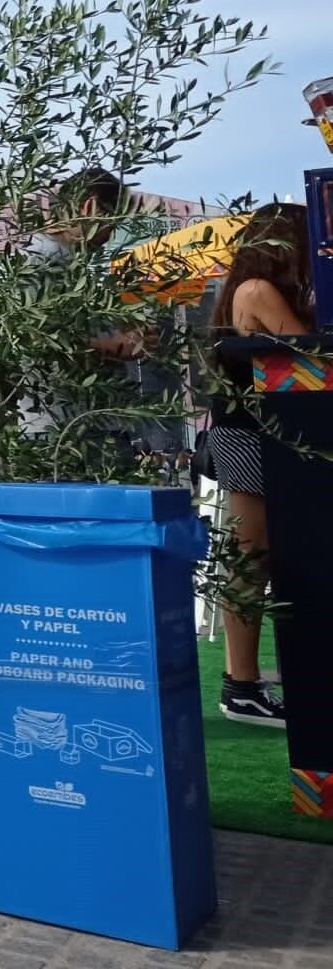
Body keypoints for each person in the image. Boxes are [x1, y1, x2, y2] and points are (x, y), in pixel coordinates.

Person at [208, 201, 311, 727]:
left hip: (249, 433)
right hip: (248, 435)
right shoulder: (257, 291)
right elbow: (312, 358)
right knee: (250, 562)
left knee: (253, 560)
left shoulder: (245, 288)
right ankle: (241, 687)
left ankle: (242, 681)